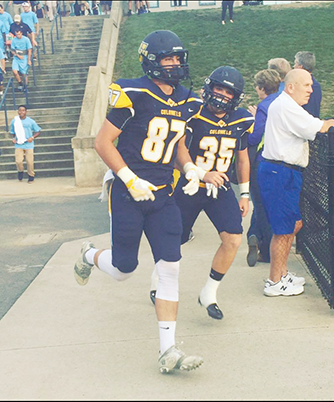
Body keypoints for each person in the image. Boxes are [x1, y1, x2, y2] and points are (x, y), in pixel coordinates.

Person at [73, 30, 223, 374]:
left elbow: (178, 143)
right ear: (152, 61)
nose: (174, 64)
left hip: (162, 195)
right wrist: (128, 178)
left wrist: (189, 169)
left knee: (170, 268)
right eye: (167, 58)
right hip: (128, 193)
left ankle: (168, 350)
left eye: (177, 58)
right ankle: (89, 255)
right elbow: (102, 142)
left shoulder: (187, 100)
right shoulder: (134, 92)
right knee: (125, 270)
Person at [152, 66, 253, 320]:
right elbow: (178, 151)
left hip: (219, 188)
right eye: (218, 88)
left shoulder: (240, 119)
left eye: (227, 92)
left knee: (233, 239)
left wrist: (244, 193)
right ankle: (157, 282)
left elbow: (242, 159)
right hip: (191, 187)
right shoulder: (193, 114)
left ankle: (209, 292)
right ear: (209, 87)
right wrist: (199, 172)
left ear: (236, 97)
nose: (221, 94)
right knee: (176, 239)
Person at [258, 69, 334, 297]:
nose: (310, 89)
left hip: (285, 172)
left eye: (311, 85)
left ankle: (282, 274)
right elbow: (317, 127)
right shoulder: (286, 106)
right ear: (290, 87)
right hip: (280, 172)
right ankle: (274, 282)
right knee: (284, 229)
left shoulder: (287, 105)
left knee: (294, 224)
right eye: (306, 85)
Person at [246, 69, 280, 267]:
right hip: (281, 160)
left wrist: (253, 120)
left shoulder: (264, 106)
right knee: (268, 204)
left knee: (260, 204)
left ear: (261, 88)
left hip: (263, 160)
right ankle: (254, 235)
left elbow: (254, 136)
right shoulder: (283, 102)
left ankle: (262, 246)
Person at [9, 104, 41, 183]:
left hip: (28, 144)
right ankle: (20, 171)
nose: (21, 112)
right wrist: (13, 138)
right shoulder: (14, 121)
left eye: (23, 110)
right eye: (20, 110)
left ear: (26, 112)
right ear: (18, 111)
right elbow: (12, 132)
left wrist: (32, 137)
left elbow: (38, 131)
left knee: (29, 161)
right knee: (18, 161)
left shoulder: (30, 121)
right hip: (19, 143)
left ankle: (31, 176)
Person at [293, 51, 322, 118]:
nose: (294, 66)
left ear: (300, 67)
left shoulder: (299, 86)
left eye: (295, 64)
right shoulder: (316, 85)